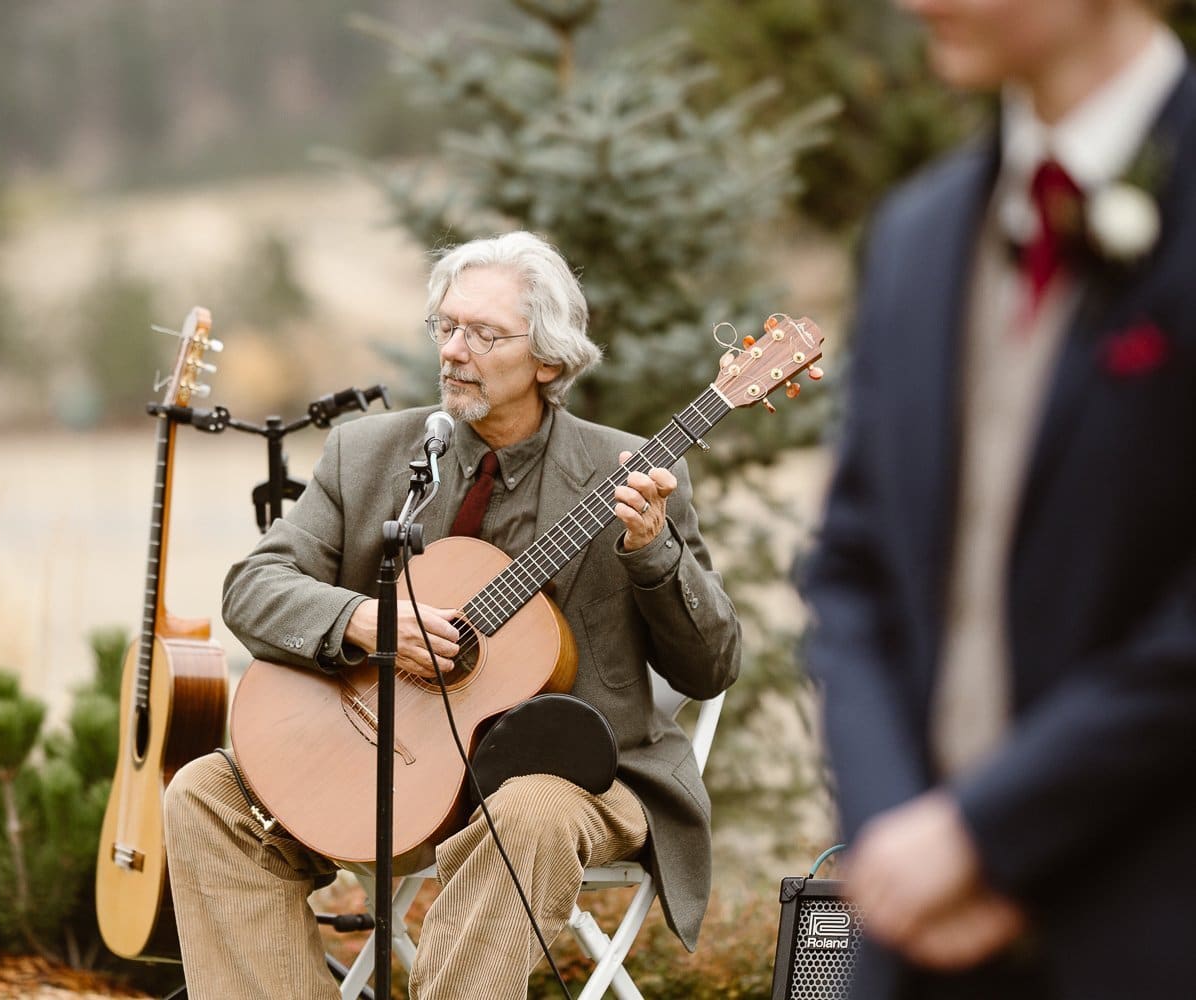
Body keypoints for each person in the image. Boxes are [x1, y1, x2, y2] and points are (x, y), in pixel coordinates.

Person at [161, 230, 741, 998]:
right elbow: (255, 585)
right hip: (392, 763)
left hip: (568, 777)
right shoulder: (366, 454)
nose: (454, 351)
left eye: (484, 333)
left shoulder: (627, 473)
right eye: (446, 326)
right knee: (205, 795)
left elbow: (711, 665)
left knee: (526, 811)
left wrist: (653, 551)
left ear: (548, 358)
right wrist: (363, 623)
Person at [803, 1, 1195, 997]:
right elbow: (851, 569)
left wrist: (988, 831)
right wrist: (899, 838)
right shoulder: (914, 236)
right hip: (915, 944)